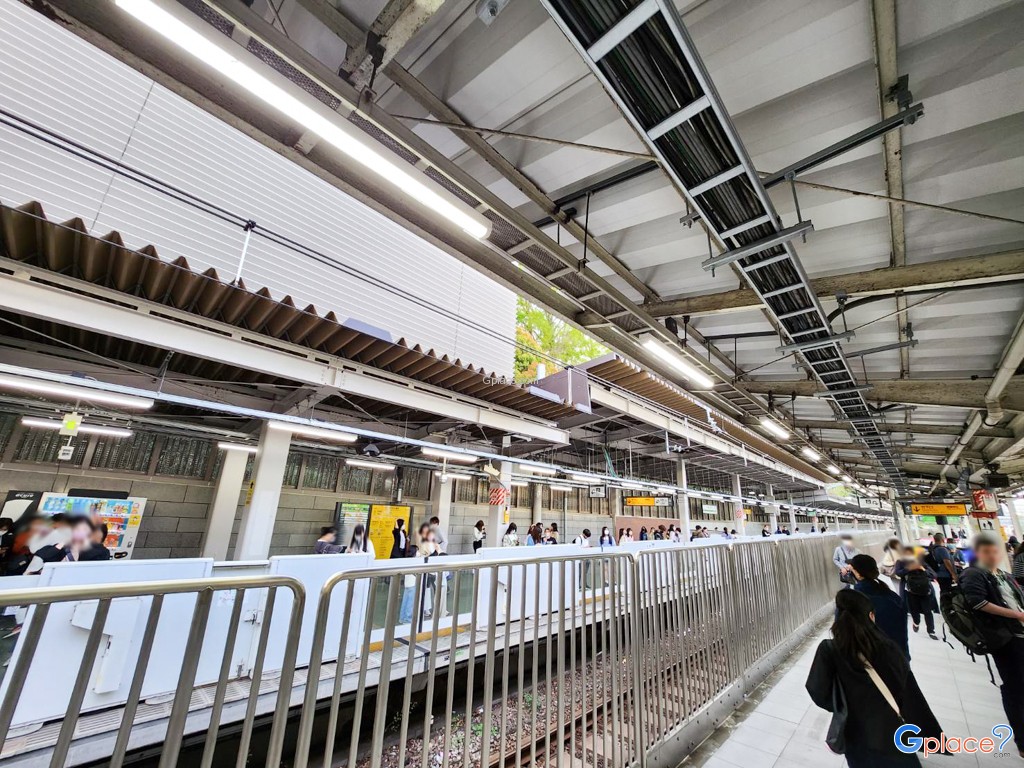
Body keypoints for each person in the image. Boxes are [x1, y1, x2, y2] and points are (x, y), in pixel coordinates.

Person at [806, 589, 941, 767]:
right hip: (894, 731)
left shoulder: (829, 649)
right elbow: (908, 692)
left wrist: (842, 706)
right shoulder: (889, 647)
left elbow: (817, 691)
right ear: (870, 616)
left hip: (856, 733)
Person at [961, 532, 1024, 757]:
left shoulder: (1002, 574)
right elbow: (978, 602)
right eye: (986, 550)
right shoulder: (973, 574)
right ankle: (1022, 739)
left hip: (1019, 634)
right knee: (1016, 689)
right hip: (1006, 640)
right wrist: (1016, 615)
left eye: (995, 550)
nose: (993, 554)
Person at [850, 554, 909, 659]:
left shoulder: (852, 600)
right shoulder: (893, 597)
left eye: (851, 570)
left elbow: (843, 635)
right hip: (899, 659)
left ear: (857, 574)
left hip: (871, 663)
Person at [894, 550, 937, 639]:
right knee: (914, 610)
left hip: (924, 590)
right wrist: (909, 568)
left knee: (927, 611)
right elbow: (898, 573)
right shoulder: (901, 562)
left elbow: (933, 575)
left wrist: (922, 569)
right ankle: (916, 622)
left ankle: (931, 631)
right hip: (910, 591)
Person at [400, 523, 437, 623]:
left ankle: (404, 617)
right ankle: (410, 616)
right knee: (418, 593)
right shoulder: (426, 543)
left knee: (409, 596)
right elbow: (429, 553)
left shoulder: (419, 541)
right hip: (422, 572)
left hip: (413, 577)